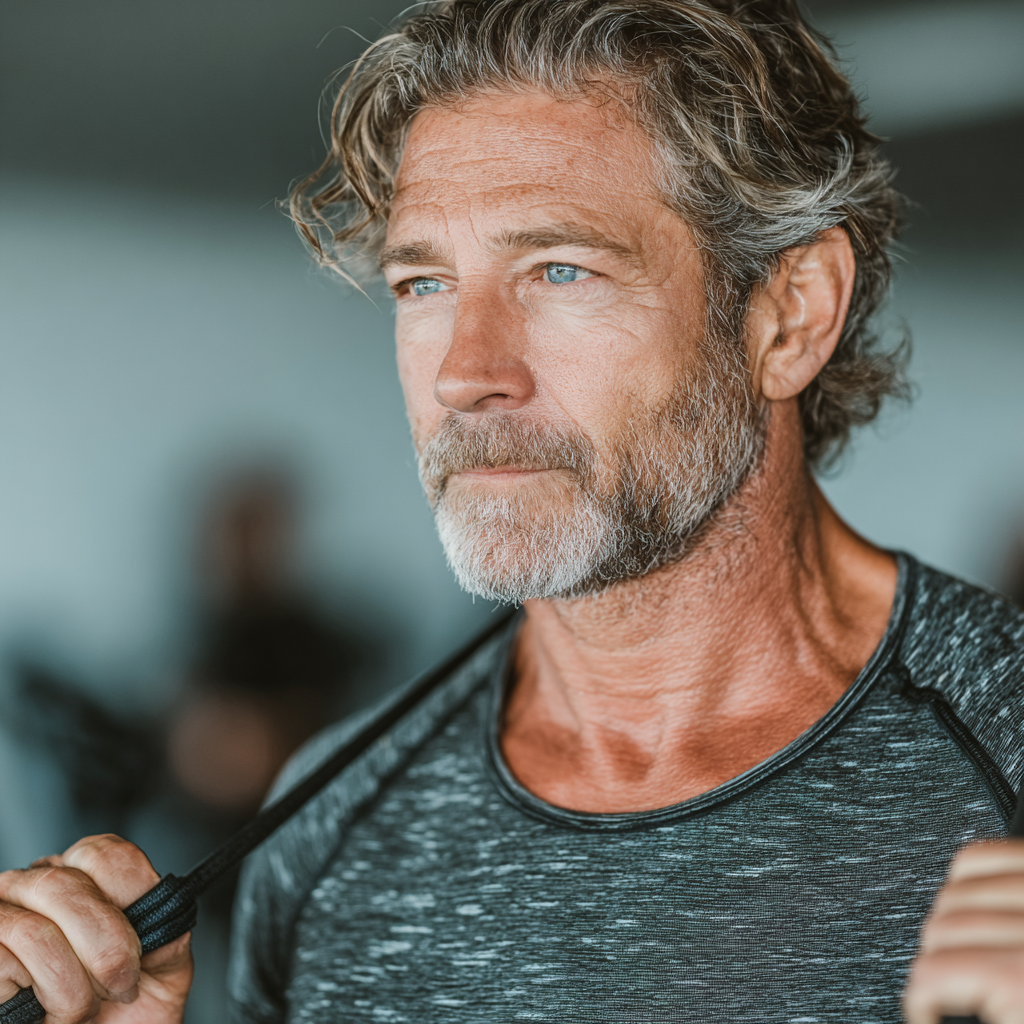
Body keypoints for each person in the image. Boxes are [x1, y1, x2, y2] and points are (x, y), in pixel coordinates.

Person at [0, 1, 1022, 1021]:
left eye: (559, 269)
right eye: (424, 282)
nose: (463, 373)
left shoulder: (1003, 743)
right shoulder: (329, 824)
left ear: (788, 314)